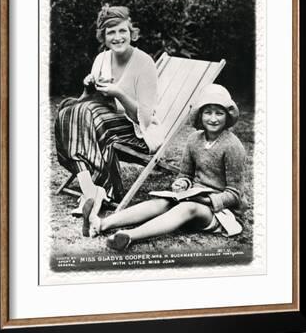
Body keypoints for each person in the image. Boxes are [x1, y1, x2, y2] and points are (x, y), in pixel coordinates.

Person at [85, 83, 248, 250]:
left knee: (188, 207)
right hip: (193, 198)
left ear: (227, 116)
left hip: (221, 212)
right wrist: (182, 184)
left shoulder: (232, 146)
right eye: (208, 112)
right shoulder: (194, 140)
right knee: (162, 202)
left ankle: (129, 236)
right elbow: (185, 174)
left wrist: (206, 200)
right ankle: (101, 223)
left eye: (219, 113)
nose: (213, 119)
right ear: (200, 115)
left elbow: (235, 194)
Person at [55, 5, 164, 231]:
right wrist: (87, 90)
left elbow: (143, 116)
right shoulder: (101, 59)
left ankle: (95, 190)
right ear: (103, 37)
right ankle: (91, 189)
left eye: (122, 31)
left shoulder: (144, 64)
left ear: (131, 32)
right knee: (67, 108)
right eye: (110, 32)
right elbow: (88, 102)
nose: (117, 37)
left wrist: (119, 93)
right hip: (104, 122)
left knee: (87, 113)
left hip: (139, 131)